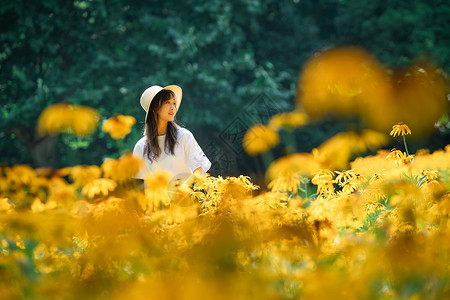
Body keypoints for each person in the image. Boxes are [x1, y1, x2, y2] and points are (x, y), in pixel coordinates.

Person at [133, 85, 211, 182]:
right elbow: (139, 186)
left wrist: (208, 195)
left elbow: (199, 173)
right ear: (154, 108)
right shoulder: (141, 147)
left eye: (174, 103)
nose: (173, 108)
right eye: (167, 102)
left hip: (186, 195)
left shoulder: (184, 136)